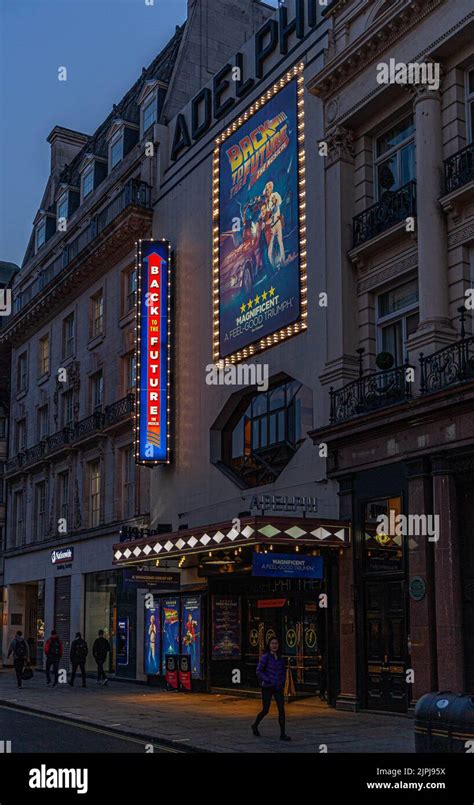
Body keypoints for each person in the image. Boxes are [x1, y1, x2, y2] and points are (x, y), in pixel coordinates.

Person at [252, 637, 291, 741]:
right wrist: (267, 679)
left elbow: (283, 671)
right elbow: (259, 671)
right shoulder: (265, 657)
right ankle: (255, 725)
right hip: (267, 687)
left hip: (278, 687)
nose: (274, 645)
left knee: (281, 710)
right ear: (269, 645)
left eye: (276, 643)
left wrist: (282, 682)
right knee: (265, 710)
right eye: (272, 643)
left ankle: (283, 734)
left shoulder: (280, 658)